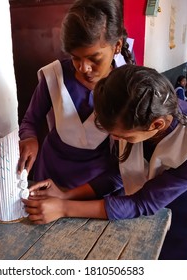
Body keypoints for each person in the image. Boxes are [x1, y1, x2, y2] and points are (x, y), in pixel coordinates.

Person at [23, 64, 187, 260]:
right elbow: (119, 173)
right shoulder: (134, 114)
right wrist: (66, 194)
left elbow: (143, 203)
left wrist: (64, 208)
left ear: (156, 125)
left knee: (186, 256)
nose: (117, 141)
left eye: (124, 137)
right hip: (163, 192)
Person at [18, 0, 134, 194]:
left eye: (94, 59)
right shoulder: (54, 76)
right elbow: (30, 120)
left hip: (98, 181)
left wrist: (67, 199)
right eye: (75, 58)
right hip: (50, 172)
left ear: (117, 46)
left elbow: (125, 163)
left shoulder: (128, 87)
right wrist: (29, 138)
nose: (83, 68)